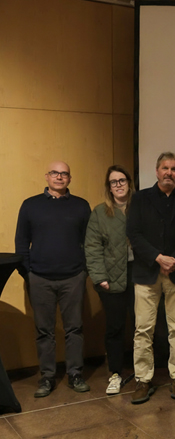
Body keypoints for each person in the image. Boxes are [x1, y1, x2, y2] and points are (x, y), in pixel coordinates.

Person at [15, 161, 92, 397]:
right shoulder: (30, 205)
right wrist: (27, 272)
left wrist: (84, 271)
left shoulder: (81, 206)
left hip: (73, 277)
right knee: (44, 331)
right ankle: (47, 377)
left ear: (70, 178)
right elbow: (21, 242)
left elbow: (90, 242)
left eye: (64, 174)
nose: (59, 177)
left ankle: (75, 374)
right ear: (47, 177)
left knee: (74, 329)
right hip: (39, 278)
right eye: (55, 173)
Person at [127, 152, 175, 404]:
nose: (169, 172)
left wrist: (174, 259)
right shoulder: (140, 198)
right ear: (157, 171)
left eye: (174, 169)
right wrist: (159, 258)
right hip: (147, 272)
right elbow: (133, 234)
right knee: (143, 329)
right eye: (165, 168)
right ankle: (142, 379)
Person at [85, 165, 135, 395]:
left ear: (129, 182)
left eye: (122, 180)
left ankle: (143, 371)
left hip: (141, 275)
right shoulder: (99, 212)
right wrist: (99, 277)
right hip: (111, 279)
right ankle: (115, 373)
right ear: (109, 186)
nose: (118, 185)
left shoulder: (141, 207)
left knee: (142, 326)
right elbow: (92, 248)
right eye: (113, 181)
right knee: (115, 328)